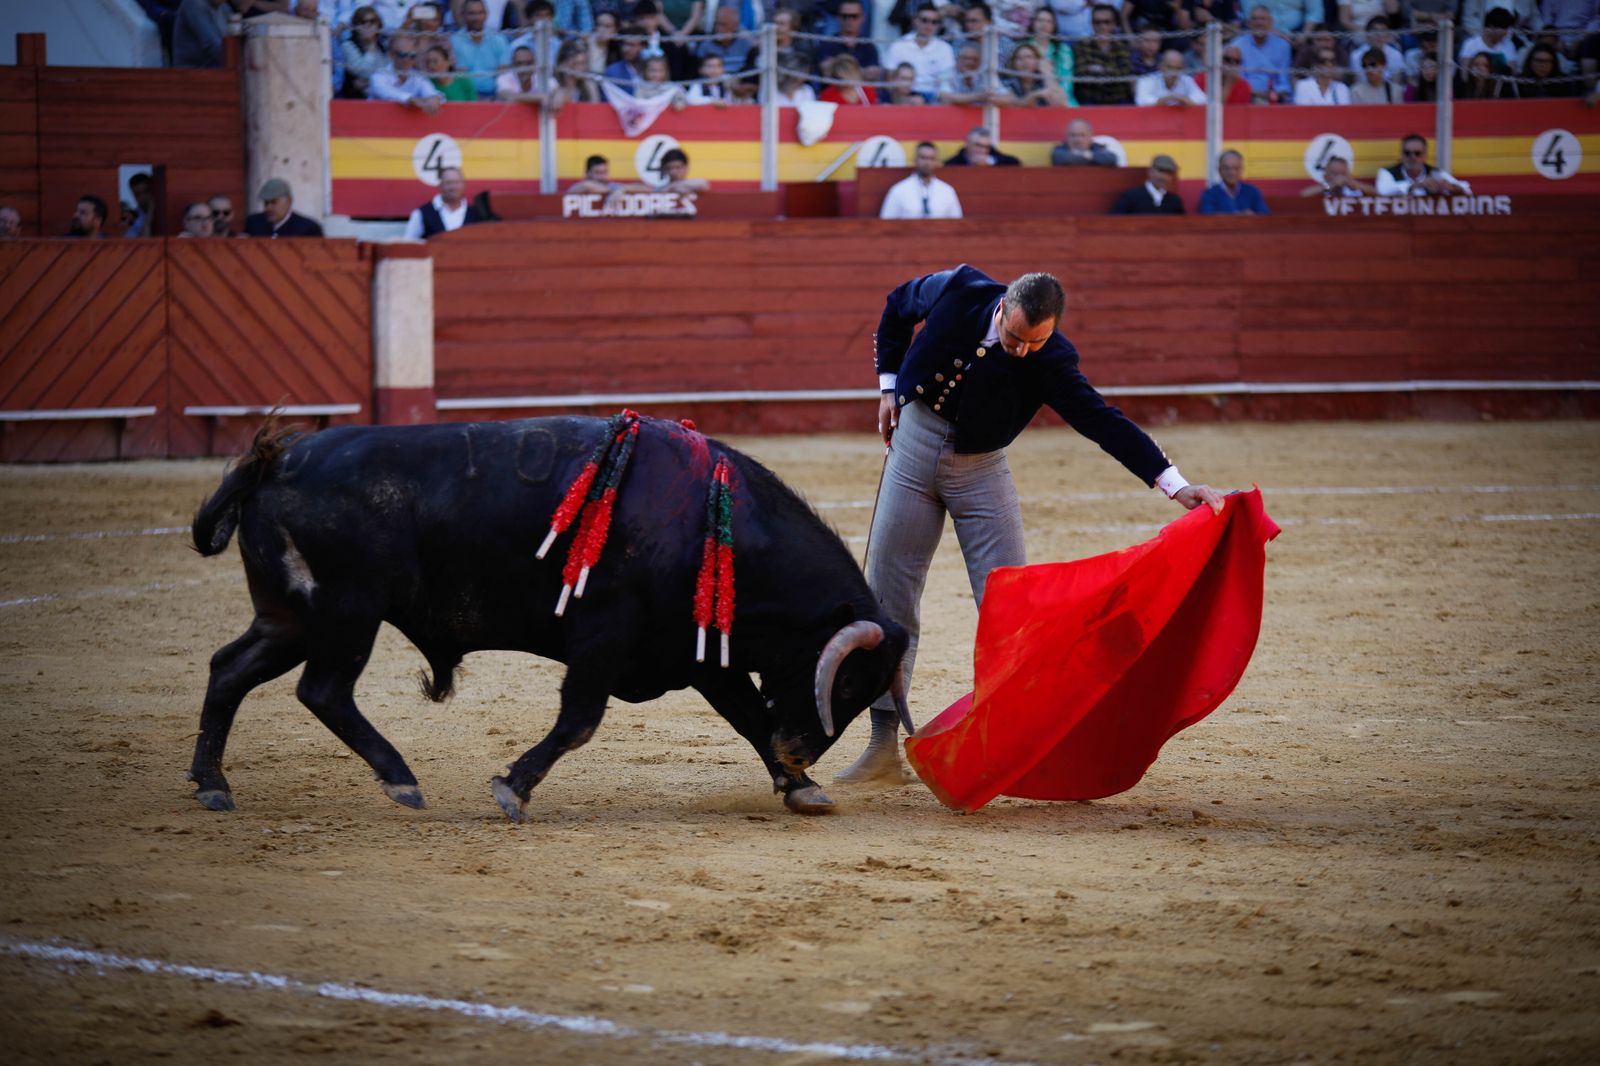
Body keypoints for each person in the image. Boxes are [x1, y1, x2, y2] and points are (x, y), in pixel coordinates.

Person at [834, 266, 1225, 782]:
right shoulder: (959, 290)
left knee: (1010, 605)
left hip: (982, 469)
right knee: (888, 596)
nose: (1021, 351)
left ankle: (1007, 745)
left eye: (1034, 343)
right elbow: (896, 305)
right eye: (1015, 338)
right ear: (1002, 308)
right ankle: (883, 743)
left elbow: (1100, 419)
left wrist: (1175, 484)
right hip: (911, 448)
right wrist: (888, 385)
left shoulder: (1052, 360)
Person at [885, 4, 958, 98]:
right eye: (924, 20)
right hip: (904, 97)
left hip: (935, 99)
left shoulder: (945, 48)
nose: (929, 25)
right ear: (915, 21)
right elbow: (890, 79)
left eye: (934, 22)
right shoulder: (898, 46)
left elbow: (947, 83)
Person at [879, 141, 963, 219]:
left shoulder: (947, 191)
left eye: (931, 158)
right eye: (923, 158)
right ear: (915, 159)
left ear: (936, 162)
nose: (927, 163)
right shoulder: (899, 190)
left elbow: (957, 222)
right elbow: (886, 222)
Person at [369, 32, 446, 111]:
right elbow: (386, 92)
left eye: (412, 55)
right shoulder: (379, 75)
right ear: (391, 55)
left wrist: (434, 98)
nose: (408, 60)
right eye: (403, 55)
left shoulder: (417, 76)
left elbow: (431, 92)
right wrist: (410, 99)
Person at [1074, 4, 1133, 105]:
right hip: (1090, 99)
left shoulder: (1122, 46)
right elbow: (1080, 72)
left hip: (1117, 100)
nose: (1102, 26)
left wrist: (1097, 69)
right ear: (1092, 24)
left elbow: (1125, 73)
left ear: (1114, 24)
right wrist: (1110, 72)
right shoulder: (1082, 45)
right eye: (1097, 22)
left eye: (1107, 22)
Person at [1375, 134, 1471, 197]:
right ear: (1401, 155)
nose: (1412, 157)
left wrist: (1450, 187)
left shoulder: (1435, 172)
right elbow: (1383, 191)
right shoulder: (1387, 172)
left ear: (1425, 156)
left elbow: (1467, 191)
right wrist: (1416, 186)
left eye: (1417, 153)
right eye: (1407, 153)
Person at [452, 0, 512, 98]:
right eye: (471, 13)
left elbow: (503, 72)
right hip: (467, 94)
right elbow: (461, 74)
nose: (476, 17)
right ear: (463, 15)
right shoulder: (455, 40)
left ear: (486, 14)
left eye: (480, 13)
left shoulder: (499, 38)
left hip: (495, 94)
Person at [404, 166, 486, 237]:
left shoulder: (476, 215)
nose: (453, 187)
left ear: (463, 185)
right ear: (440, 186)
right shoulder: (421, 214)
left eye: (456, 182)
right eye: (448, 183)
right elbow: (409, 245)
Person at [814, 0, 882, 82]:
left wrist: (839, 67)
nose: (849, 20)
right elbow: (826, 71)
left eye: (854, 16)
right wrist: (862, 71)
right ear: (838, 18)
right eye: (845, 16)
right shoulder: (827, 43)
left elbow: (874, 74)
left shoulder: (869, 47)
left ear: (862, 18)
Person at [1235, 5, 1291, 99]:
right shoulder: (1237, 45)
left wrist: (1272, 94)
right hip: (1245, 96)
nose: (1259, 23)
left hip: (1274, 97)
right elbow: (1237, 80)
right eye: (1255, 19)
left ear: (1271, 22)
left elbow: (1283, 81)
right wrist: (1254, 93)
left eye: (1263, 19)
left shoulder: (1282, 46)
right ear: (1248, 23)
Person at [244, 178, 324, 237]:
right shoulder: (254, 223)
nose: (268, 208)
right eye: (266, 203)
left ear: (289, 201)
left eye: (274, 202)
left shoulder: (308, 229)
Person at [1199, 150, 1270, 215]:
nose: (1232, 172)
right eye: (1226, 168)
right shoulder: (1210, 194)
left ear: (1241, 170)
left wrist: (1253, 215)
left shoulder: (1252, 191)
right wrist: (1241, 215)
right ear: (1219, 170)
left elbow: (1265, 215)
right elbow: (1207, 216)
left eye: (1236, 168)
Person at [340, 5, 390, 98]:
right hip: (356, 98)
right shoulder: (348, 45)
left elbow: (388, 73)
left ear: (378, 24)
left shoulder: (383, 45)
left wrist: (369, 82)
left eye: (372, 22)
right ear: (355, 26)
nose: (367, 26)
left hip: (381, 95)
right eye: (362, 22)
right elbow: (362, 71)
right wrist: (371, 46)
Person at [1111, 154, 1184, 213]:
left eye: (1169, 173)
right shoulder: (1130, 197)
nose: (1164, 177)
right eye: (1161, 171)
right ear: (1150, 171)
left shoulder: (1175, 201)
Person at [1136, 48, 1207, 105]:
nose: (1173, 72)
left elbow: (1202, 100)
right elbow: (1141, 101)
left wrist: (1181, 99)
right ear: (1161, 66)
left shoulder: (1187, 80)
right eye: (1170, 67)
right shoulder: (1147, 80)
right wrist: (1167, 99)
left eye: (1178, 68)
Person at [173, 0, 228, 68]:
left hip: (214, 69)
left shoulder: (223, 7)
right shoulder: (194, 3)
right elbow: (212, 45)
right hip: (193, 72)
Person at [1051, 118, 1117, 166]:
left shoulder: (1097, 147)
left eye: (1082, 135)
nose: (1078, 140)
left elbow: (1111, 159)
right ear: (1067, 137)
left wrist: (1085, 154)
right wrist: (1092, 157)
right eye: (1073, 135)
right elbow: (1059, 158)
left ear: (1090, 137)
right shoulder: (1060, 149)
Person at [1300, 155, 1374, 197]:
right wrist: (1332, 185)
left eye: (1343, 173)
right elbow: (1304, 194)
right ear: (1325, 176)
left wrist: (1355, 185)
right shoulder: (1325, 189)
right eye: (1335, 174)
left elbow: (1378, 193)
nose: (1340, 177)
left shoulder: (1355, 189)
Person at [945, 127, 1022, 167]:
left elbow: (1015, 162)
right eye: (978, 145)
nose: (983, 150)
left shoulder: (992, 154)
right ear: (967, 144)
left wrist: (991, 161)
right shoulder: (953, 162)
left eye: (986, 147)